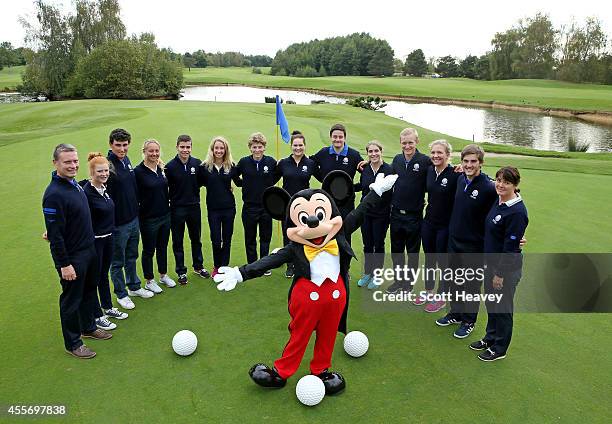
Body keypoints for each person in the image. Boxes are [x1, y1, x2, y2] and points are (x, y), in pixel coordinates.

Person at [43, 144, 112, 359]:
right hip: (72, 257)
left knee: (89, 291)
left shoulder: (75, 185)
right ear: (56, 163)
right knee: (71, 299)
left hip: (88, 249)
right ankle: (73, 343)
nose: (73, 165)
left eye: (75, 161)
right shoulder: (54, 194)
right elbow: (55, 236)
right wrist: (64, 264)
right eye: (67, 162)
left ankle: (88, 327)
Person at [436, 144, 497, 339]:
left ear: (481, 163)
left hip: (474, 245)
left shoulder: (488, 187)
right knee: (454, 280)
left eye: (473, 161)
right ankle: (455, 313)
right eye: (466, 161)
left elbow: (507, 201)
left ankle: (469, 320)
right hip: (454, 240)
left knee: (470, 285)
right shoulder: (460, 179)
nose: (469, 165)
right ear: (461, 162)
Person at [469, 166, 528, 361]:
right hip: (489, 263)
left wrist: (500, 274)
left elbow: (510, 249)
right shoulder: (499, 200)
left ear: (515, 185)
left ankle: (500, 348)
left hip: (505, 269)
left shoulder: (517, 212)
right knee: (492, 303)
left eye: (507, 182)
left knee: (502, 308)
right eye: (499, 180)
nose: (501, 185)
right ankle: (490, 337)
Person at [106, 128, 152, 310]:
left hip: (133, 219)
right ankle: (121, 294)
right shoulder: (107, 164)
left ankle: (133, 286)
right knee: (117, 262)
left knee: (132, 255)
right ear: (111, 144)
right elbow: (93, 184)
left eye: (125, 145)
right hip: (117, 224)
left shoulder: (126, 160)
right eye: (118, 145)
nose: (122, 149)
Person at [82, 153, 128, 331]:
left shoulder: (103, 189)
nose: (104, 174)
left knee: (103, 275)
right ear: (92, 173)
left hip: (108, 238)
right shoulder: (87, 193)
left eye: (106, 170)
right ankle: (97, 315)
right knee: (94, 278)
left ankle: (108, 307)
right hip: (95, 242)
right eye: (100, 171)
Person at [415, 140, 460, 312]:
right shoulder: (429, 171)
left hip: (445, 226)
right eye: (433, 152)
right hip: (429, 222)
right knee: (429, 259)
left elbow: (477, 180)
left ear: (448, 155)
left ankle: (441, 295)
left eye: (440, 153)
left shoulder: (455, 174)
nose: (435, 156)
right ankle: (428, 292)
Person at [387, 128, 431, 294]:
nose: (407, 146)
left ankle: (408, 284)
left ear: (416, 142)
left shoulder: (425, 160)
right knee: (396, 251)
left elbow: (439, 172)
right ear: (400, 143)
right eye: (404, 143)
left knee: (412, 253)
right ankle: (398, 282)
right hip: (396, 214)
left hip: (414, 215)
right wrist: (368, 165)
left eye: (410, 142)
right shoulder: (397, 160)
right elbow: (387, 177)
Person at [165, 134, 209, 285]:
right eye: (182, 147)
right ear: (177, 147)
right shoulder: (169, 167)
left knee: (196, 239)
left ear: (191, 147)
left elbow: (205, 181)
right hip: (177, 208)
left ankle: (198, 266)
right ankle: (181, 271)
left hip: (194, 207)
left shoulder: (197, 164)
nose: (185, 150)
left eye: (188, 147)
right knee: (178, 241)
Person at [133, 139, 175, 294]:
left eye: (156, 151)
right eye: (151, 151)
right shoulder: (138, 172)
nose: (154, 154)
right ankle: (149, 280)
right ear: (144, 151)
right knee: (149, 250)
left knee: (162, 247)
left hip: (165, 215)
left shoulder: (161, 168)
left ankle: (163, 275)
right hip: (148, 218)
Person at [273, 130, 316, 278]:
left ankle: (303, 263)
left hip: (305, 206)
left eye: (300, 145)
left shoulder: (310, 163)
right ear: (291, 146)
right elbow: (271, 180)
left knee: (306, 234)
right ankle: (290, 265)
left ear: (305, 146)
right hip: (288, 206)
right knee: (289, 235)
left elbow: (324, 177)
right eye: (295, 145)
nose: (298, 148)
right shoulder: (283, 163)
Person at [198, 136, 242, 277]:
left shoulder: (232, 166)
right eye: (216, 148)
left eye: (221, 148)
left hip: (229, 208)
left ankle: (224, 266)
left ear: (225, 150)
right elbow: (197, 183)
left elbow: (239, 182)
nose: (219, 150)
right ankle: (217, 266)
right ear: (212, 149)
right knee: (216, 240)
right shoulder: (204, 167)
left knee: (227, 239)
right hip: (213, 209)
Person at [236, 132, 277, 270]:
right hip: (249, 207)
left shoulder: (271, 162)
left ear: (264, 147)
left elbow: (274, 178)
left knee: (265, 238)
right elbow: (235, 178)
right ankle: (253, 265)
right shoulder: (244, 162)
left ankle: (264, 265)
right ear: (250, 148)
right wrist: (247, 184)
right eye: (254, 147)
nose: (257, 150)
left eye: (260, 147)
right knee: (250, 238)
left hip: (266, 207)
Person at [356, 141, 393, 289]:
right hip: (366, 213)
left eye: (376, 151)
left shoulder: (389, 169)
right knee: (367, 244)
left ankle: (377, 276)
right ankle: (367, 273)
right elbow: (363, 187)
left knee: (378, 244)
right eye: (370, 152)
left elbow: (390, 193)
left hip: (382, 214)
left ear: (381, 151)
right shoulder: (365, 169)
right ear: (367, 154)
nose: (373, 154)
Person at [311, 123, 364, 219]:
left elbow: (366, 172)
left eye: (340, 137)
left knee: (345, 230)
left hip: (347, 201)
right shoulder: (324, 153)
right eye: (335, 137)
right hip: (327, 199)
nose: (337, 139)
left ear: (344, 138)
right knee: (328, 230)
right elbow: (310, 164)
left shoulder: (354, 155)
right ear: (331, 137)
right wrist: (323, 179)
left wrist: (354, 187)